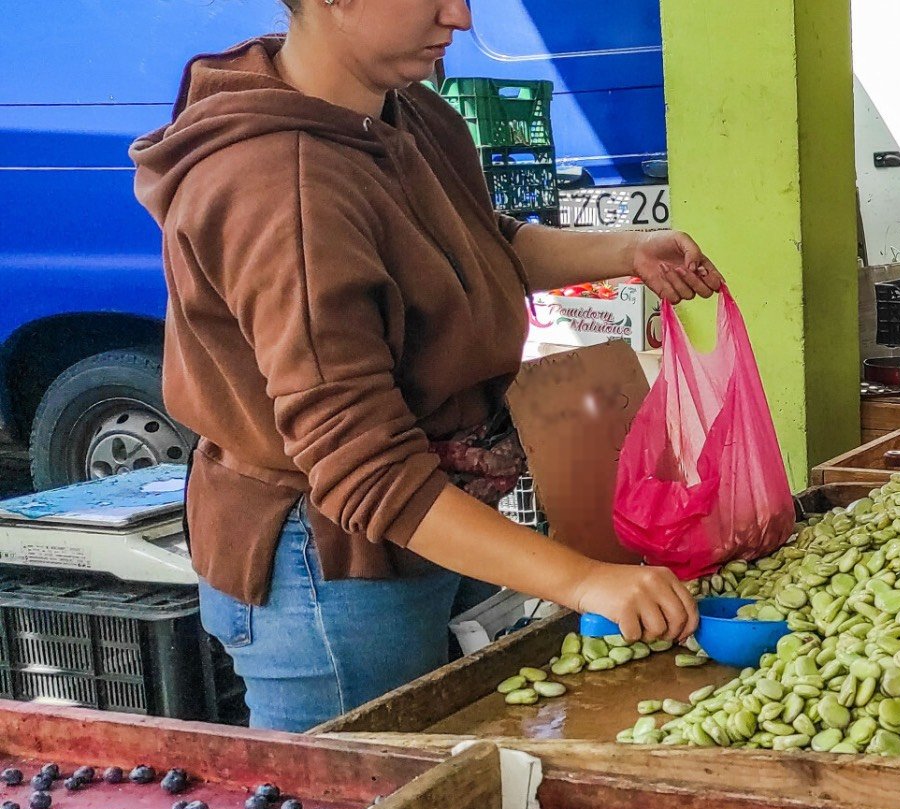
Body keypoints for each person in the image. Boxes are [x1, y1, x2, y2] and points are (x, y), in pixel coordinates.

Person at [130, 0, 722, 733]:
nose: (462, 16)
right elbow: (365, 471)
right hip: (328, 567)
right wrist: (586, 581)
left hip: (428, 518)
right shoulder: (285, 192)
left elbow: (481, 245)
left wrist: (626, 253)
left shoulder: (409, 114)